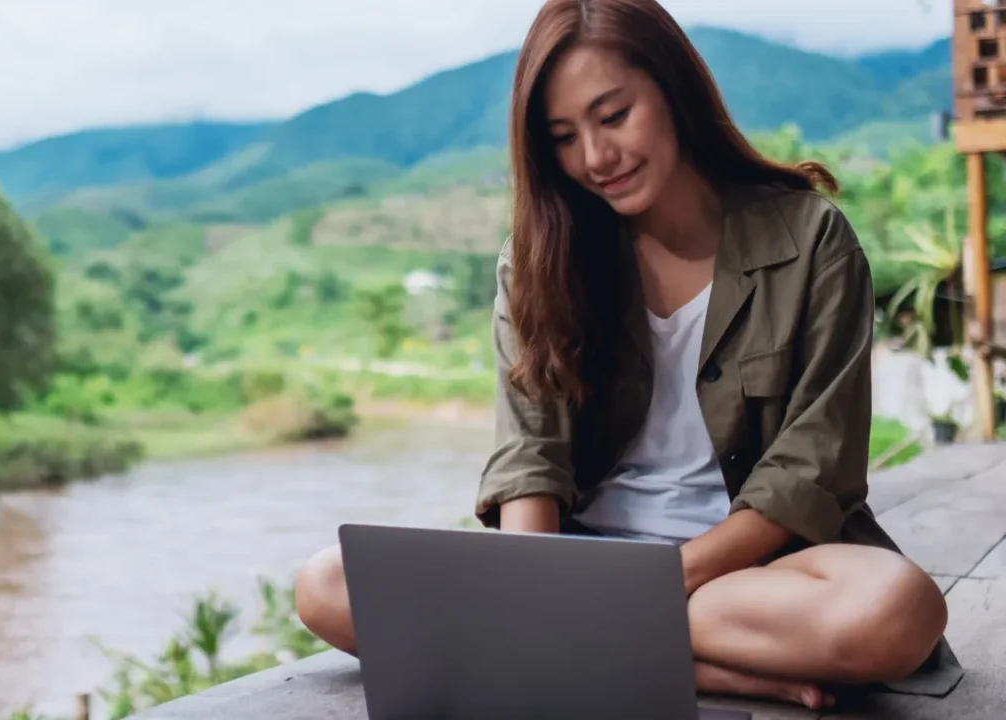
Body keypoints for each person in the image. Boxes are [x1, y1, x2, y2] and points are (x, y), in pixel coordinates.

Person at [293, 0, 963, 709]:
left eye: (613, 117)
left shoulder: (811, 238)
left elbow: (812, 471)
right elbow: (531, 456)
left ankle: (581, 647)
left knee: (898, 607)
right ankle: (711, 669)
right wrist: (536, 585)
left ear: (673, 89)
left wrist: (641, 590)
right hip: (575, 571)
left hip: (746, 576)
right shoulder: (537, 261)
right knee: (327, 582)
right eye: (563, 136)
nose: (595, 158)